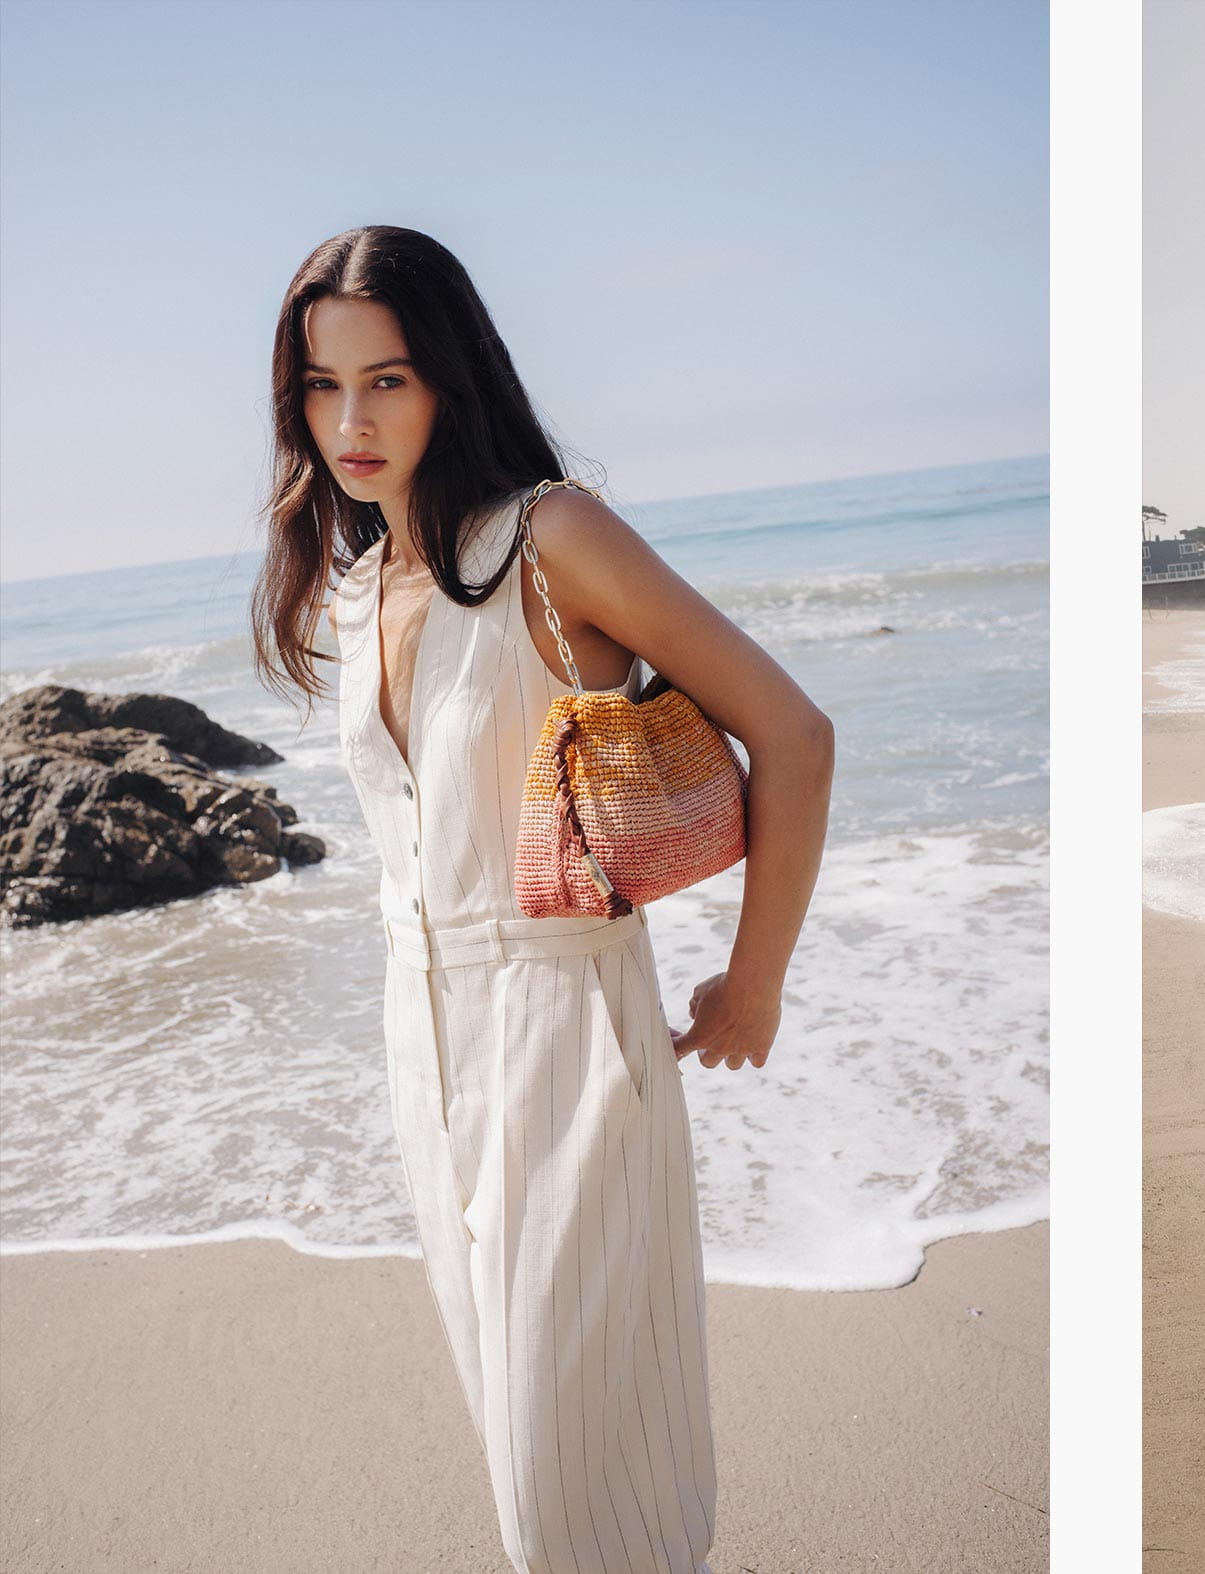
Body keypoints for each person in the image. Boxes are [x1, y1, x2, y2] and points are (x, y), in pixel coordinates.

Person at [248, 224, 835, 1572]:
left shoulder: (548, 535)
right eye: (322, 388)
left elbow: (792, 735)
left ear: (453, 374)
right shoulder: (354, 581)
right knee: (531, 1486)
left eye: (387, 379)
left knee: (579, 1493)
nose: (352, 419)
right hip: (423, 1044)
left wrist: (756, 983)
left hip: (569, 1030)